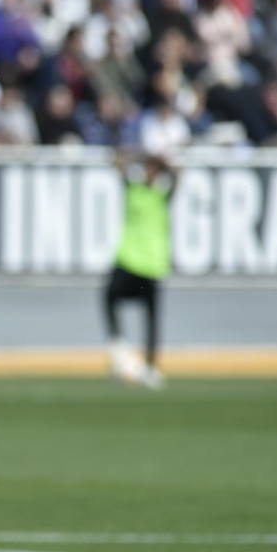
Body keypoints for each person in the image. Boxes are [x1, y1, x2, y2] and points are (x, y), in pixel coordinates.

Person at [104, 150, 175, 390]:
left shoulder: (162, 196)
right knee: (110, 297)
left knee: (152, 318)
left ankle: (151, 366)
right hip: (129, 260)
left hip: (152, 265)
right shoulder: (134, 189)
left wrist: (161, 159)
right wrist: (140, 153)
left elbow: (178, 174)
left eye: (152, 170)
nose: (148, 173)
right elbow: (117, 161)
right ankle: (119, 346)